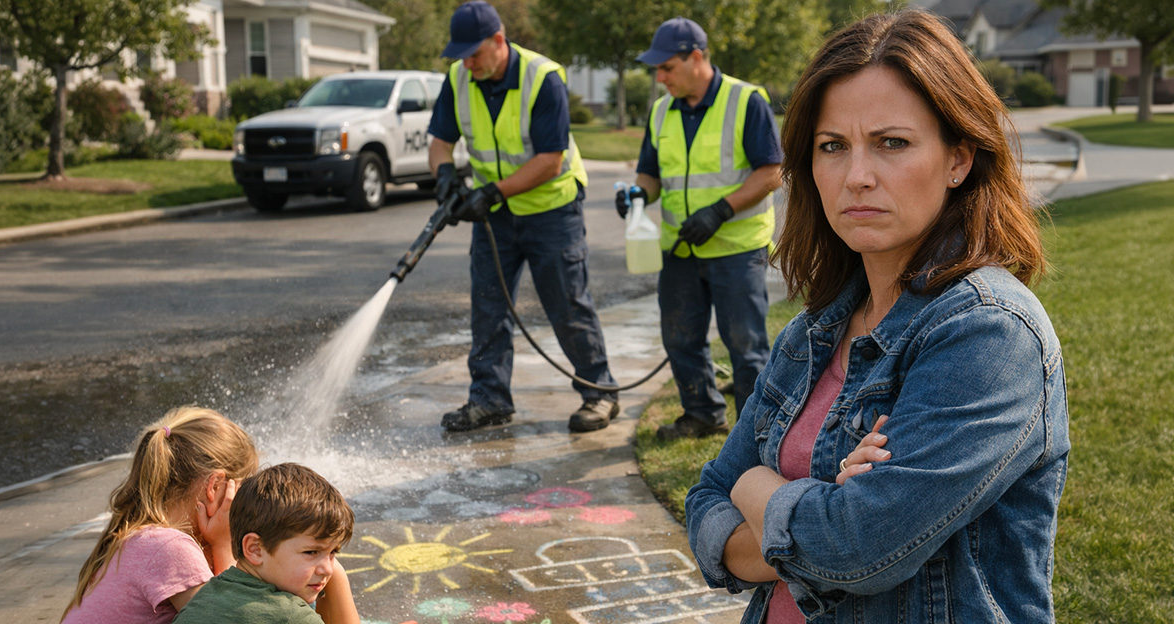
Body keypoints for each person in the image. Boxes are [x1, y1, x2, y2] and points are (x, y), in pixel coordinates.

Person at [684, 9, 1070, 624]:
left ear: (958, 159)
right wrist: (816, 509)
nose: (857, 177)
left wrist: (755, 487)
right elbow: (705, 500)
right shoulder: (814, 332)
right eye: (833, 147)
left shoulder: (989, 332)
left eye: (892, 143)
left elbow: (855, 551)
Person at [428, 0, 619, 433]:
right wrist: (444, 176)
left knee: (567, 304)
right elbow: (440, 141)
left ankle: (600, 393)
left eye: (474, 54)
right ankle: (489, 399)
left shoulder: (542, 77)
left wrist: (491, 192)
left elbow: (551, 159)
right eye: (461, 56)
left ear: (498, 40)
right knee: (488, 305)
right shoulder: (459, 78)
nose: (467, 63)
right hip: (496, 215)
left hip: (552, 209)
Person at [623, 17, 782, 440]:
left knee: (746, 346)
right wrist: (637, 195)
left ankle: (754, 436)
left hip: (736, 248)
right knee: (680, 339)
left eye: (667, 67)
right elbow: (650, 175)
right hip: (682, 249)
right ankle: (703, 414)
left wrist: (719, 211)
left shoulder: (745, 101)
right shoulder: (661, 112)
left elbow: (772, 172)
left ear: (696, 57)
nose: (660, 78)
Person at [62, 407, 358, 624]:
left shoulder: (141, 534)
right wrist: (223, 544)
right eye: (243, 488)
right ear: (216, 487)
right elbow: (230, 611)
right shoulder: (170, 548)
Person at [173, 463, 356, 624]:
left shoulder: (207, 595)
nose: (328, 569)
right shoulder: (292, 616)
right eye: (311, 552)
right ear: (255, 549)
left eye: (333, 552)